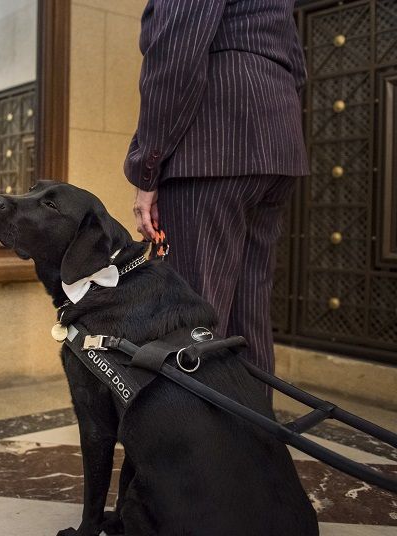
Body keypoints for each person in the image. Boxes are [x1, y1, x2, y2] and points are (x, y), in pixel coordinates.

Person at [124, 0, 309, 396]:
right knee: (249, 317)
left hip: (212, 142)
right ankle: (256, 446)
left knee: (194, 318)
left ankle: (194, 454)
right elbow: (297, 64)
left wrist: (148, 166)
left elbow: (176, 51)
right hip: (277, 140)